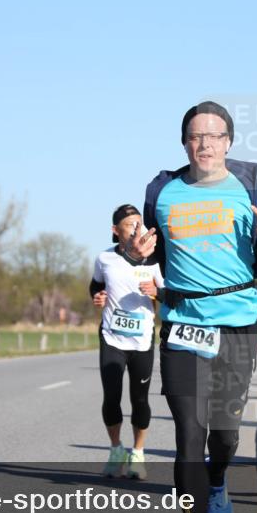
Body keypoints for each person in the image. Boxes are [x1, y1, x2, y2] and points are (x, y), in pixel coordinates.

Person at [135, 101, 257, 513]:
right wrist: (138, 253)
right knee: (189, 433)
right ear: (185, 143)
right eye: (195, 136)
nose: (205, 143)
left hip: (238, 322)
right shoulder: (161, 193)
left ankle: (219, 479)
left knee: (223, 436)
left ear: (229, 142)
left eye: (214, 135)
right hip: (183, 323)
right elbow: (150, 252)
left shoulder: (248, 191)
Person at [90, 204, 163, 480]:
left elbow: (167, 293)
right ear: (115, 230)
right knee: (111, 396)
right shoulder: (104, 258)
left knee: (140, 399)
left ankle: (138, 453)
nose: (137, 228)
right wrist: (97, 297)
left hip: (142, 339)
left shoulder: (154, 260)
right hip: (111, 336)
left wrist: (157, 292)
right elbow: (95, 286)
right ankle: (116, 448)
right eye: (130, 224)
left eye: (139, 223)